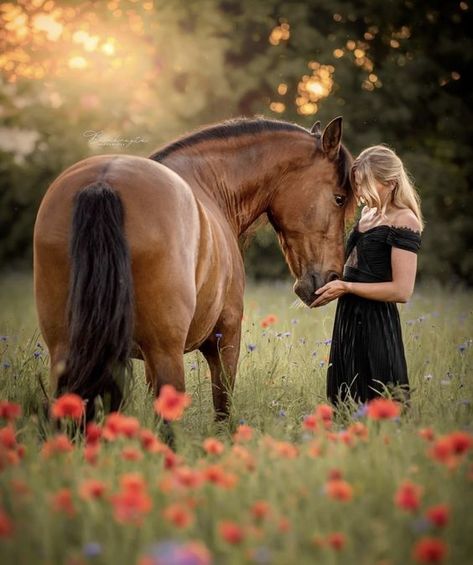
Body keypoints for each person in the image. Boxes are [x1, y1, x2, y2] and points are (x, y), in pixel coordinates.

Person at [310, 145, 424, 405]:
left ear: (391, 182)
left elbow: (401, 291)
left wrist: (347, 288)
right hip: (348, 318)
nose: (359, 193)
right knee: (344, 402)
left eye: (365, 185)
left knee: (380, 401)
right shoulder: (367, 214)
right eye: (357, 184)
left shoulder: (405, 220)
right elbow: (354, 266)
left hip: (376, 323)